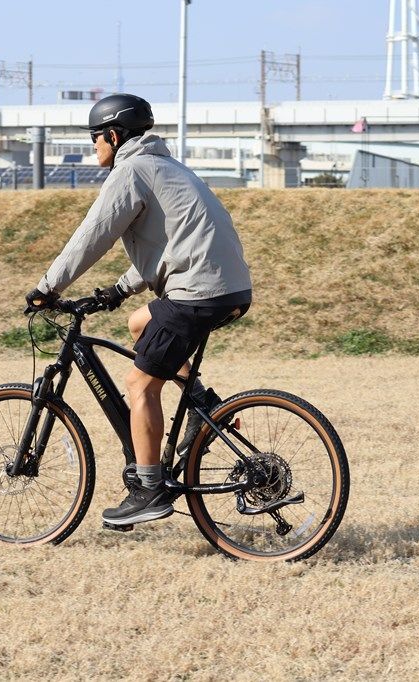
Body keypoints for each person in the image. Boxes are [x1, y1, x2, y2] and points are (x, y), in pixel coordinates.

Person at [24, 93, 252, 527]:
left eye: (96, 138)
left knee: (139, 385)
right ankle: (202, 407)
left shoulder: (130, 171)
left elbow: (93, 236)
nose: (94, 146)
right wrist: (118, 289)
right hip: (225, 287)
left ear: (114, 134)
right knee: (139, 322)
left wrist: (45, 288)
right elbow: (172, 244)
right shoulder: (165, 166)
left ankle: (149, 490)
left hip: (197, 292)